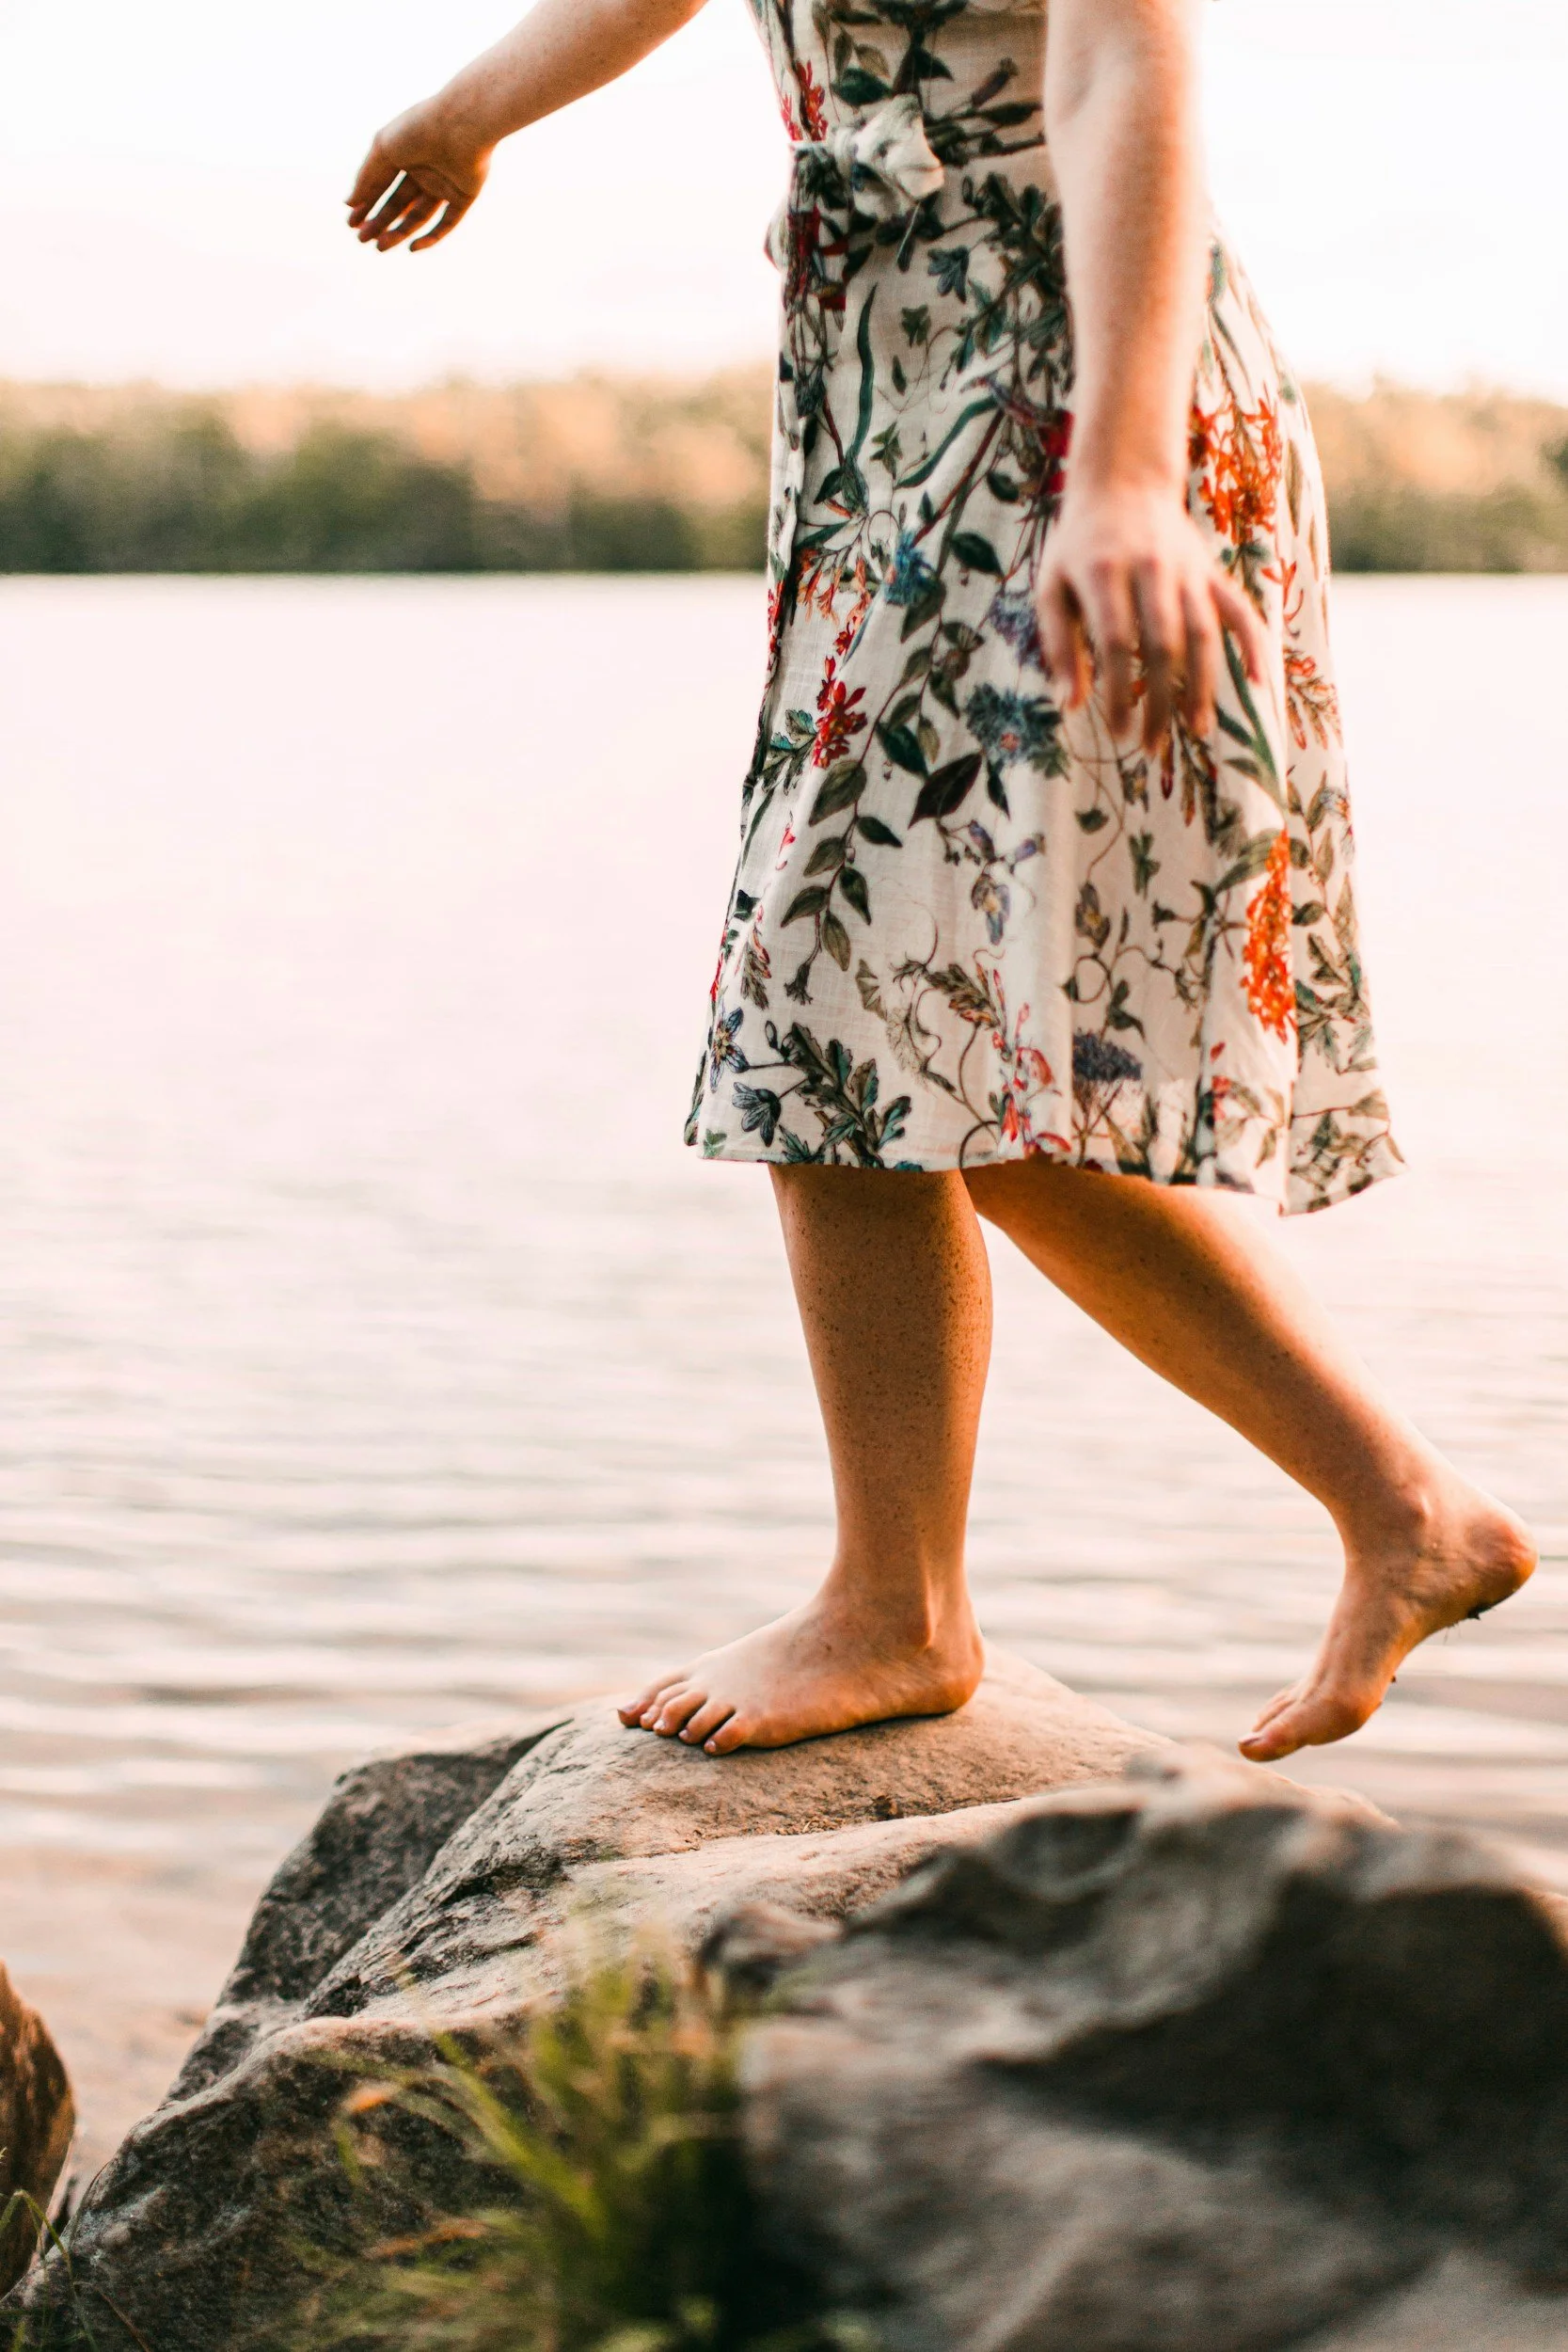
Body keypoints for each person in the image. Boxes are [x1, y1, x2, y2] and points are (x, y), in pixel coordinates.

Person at [348, 0, 1534, 1767]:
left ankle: (899, 1605)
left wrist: (1121, 478)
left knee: (844, 1008)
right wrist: (471, 109)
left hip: (1057, 399)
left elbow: (1127, 52)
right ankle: (1400, 1509)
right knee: (914, 1035)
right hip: (906, 394)